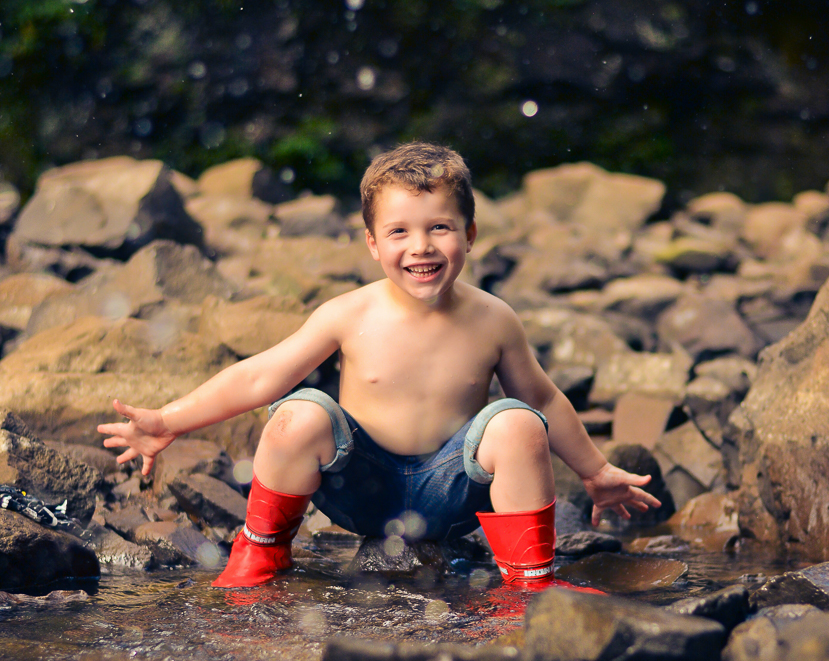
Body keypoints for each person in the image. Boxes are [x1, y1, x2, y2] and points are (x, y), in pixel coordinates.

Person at [98, 142, 659, 589]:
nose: (421, 247)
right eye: (399, 232)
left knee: (516, 419)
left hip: (451, 493)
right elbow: (259, 375)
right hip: (360, 489)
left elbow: (543, 399)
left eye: (439, 227)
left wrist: (594, 470)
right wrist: (169, 421)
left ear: (469, 234)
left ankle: (530, 582)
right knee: (299, 411)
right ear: (371, 243)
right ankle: (262, 553)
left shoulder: (493, 319)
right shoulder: (347, 314)